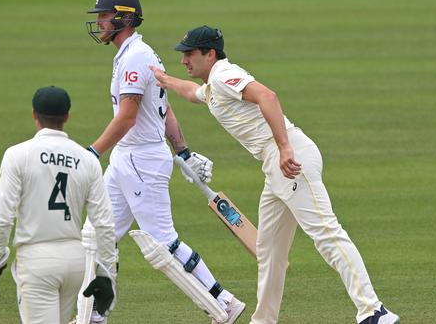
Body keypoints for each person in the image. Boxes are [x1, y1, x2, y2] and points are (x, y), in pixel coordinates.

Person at [150, 25, 401, 324]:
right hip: (275, 167)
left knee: (326, 233)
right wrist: (164, 79)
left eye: (190, 54)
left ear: (211, 53)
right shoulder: (213, 86)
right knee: (268, 251)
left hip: (289, 158)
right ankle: (263, 321)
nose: (184, 60)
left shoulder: (223, 75)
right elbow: (193, 93)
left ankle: (374, 311)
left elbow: (267, 96)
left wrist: (283, 148)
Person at [83, 0, 245, 324]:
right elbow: (164, 109)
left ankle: (224, 301)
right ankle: (93, 317)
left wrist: (91, 152)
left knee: (163, 245)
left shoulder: (135, 57)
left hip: (140, 161)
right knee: (97, 237)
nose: (99, 21)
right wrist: (182, 151)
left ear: (124, 18)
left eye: (104, 15)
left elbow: (127, 117)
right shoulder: (134, 53)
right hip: (128, 159)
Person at [0, 86, 117, 324]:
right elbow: (104, 222)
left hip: (36, 260)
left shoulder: (17, 155)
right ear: (67, 116)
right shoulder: (87, 160)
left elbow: (1, 218)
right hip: (75, 262)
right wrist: (107, 273)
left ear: (34, 114)